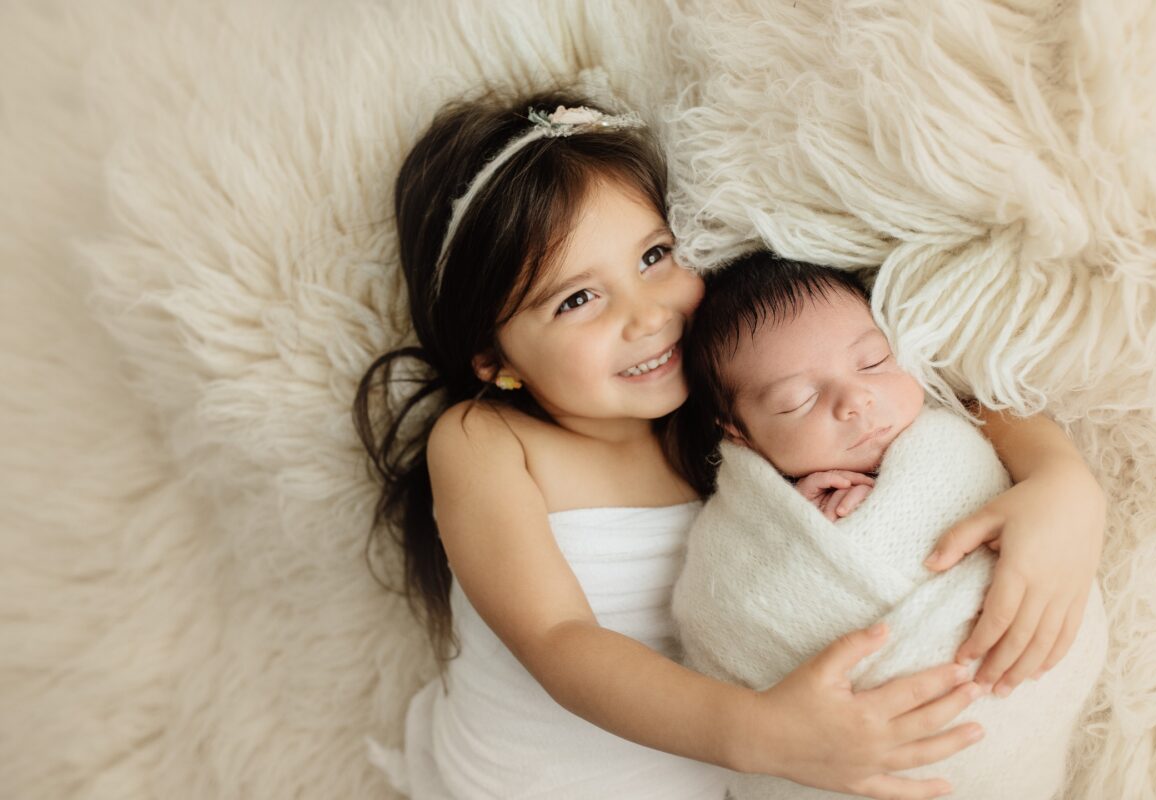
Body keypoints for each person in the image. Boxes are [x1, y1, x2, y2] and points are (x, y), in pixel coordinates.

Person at [353, 87, 1105, 799]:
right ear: (496, 361)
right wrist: (759, 731)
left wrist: (1062, 485)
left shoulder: (729, 414)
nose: (647, 314)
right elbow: (557, 638)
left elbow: (941, 404)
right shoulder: (487, 440)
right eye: (578, 298)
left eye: (653, 257)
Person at [670, 252, 1108, 799]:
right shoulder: (735, 537)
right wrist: (801, 536)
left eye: (873, 362)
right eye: (797, 400)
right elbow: (727, 624)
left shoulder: (959, 436)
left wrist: (1061, 481)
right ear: (737, 432)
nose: (855, 399)